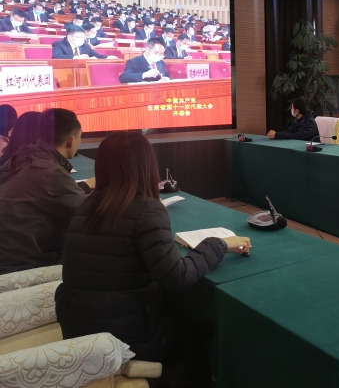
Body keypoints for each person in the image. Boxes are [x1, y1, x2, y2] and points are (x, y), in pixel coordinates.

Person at [55, 131, 250, 384]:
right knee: (195, 319)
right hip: (125, 336)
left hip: (78, 329)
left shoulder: (86, 205)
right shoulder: (146, 210)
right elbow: (177, 277)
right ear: (146, 166)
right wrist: (219, 244)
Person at [0, 109, 91, 275]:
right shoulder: (47, 171)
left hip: (11, 255)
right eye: (80, 136)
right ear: (70, 141)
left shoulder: (27, 158)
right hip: (21, 265)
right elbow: (92, 212)